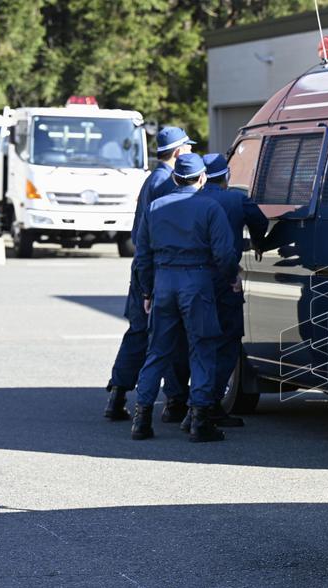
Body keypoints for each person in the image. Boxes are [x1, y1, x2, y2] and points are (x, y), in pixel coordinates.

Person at [130, 153, 239, 443]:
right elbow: (224, 253)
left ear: (176, 178)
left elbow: (142, 255)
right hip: (198, 281)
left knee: (158, 351)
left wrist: (147, 291)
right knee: (202, 348)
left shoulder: (155, 207)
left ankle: (141, 418)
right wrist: (231, 278)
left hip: (164, 281)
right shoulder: (210, 207)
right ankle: (199, 420)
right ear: (202, 178)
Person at [105, 127, 195, 423]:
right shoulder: (169, 183)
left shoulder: (151, 180)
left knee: (138, 333)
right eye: (189, 149)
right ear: (180, 151)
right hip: (161, 271)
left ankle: (117, 395)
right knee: (169, 337)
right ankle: (174, 402)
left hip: (144, 268)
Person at [178, 153, 269, 430]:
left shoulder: (191, 200)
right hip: (225, 279)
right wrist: (257, 243)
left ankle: (189, 404)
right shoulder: (235, 199)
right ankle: (209, 405)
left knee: (200, 344)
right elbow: (261, 223)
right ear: (226, 176)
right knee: (228, 342)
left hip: (193, 280)